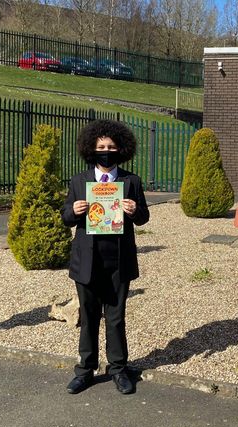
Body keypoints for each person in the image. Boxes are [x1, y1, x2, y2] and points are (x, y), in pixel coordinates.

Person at [62, 119, 150, 395]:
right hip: (87, 260)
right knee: (88, 317)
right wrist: (74, 211)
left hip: (118, 261)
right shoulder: (79, 181)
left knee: (115, 318)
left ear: (120, 149)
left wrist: (134, 209)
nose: (106, 150)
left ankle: (118, 369)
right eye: (101, 146)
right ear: (91, 149)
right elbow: (65, 217)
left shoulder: (130, 181)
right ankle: (85, 370)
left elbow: (143, 218)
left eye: (111, 146)